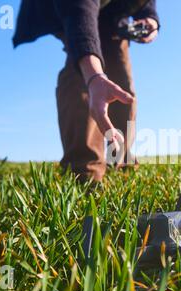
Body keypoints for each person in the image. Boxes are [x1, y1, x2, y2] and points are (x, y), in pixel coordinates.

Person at [13, 0, 159, 182]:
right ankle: (83, 171)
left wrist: (150, 19)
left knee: (121, 79)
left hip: (113, 14)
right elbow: (78, 12)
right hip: (72, 9)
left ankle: (122, 162)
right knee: (81, 71)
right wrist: (94, 77)